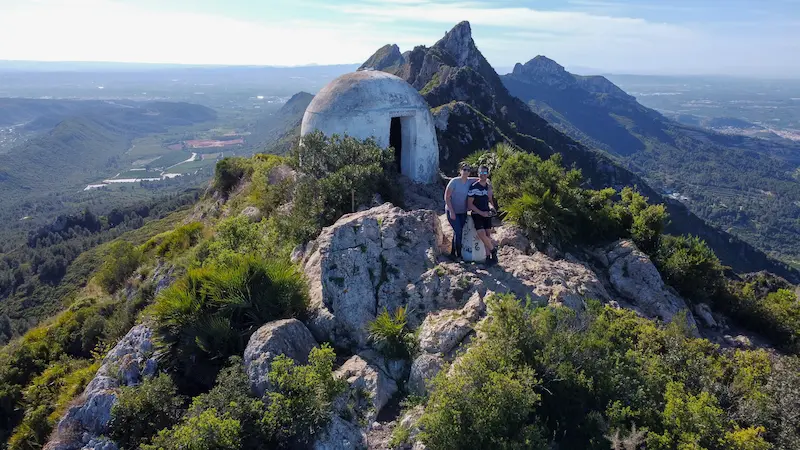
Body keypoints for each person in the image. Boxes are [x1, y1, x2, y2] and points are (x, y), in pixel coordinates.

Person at [467, 165, 498, 265]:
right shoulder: (474, 187)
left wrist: (492, 208)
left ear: (487, 174)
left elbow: (489, 200)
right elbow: (470, 204)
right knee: (481, 234)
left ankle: (489, 258)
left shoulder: (488, 187)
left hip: (487, 214)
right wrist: (481, 213)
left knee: (488, 235)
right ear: (478, 174)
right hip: (477, 214)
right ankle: (493, 250)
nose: (483, 175)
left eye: (485, 173)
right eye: (481, 173)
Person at [444, 162, 474, 259]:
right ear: (460, 171)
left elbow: (481, 179)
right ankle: (459, 256)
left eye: (468, 170)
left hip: (462, 212)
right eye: (464, 169)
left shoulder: (469, 181)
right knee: (459, 231)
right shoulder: (454, 182)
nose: (466, 172)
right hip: (452, 211)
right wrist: (452, 212)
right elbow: (447, 197)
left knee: (457, 232)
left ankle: (453, 253)